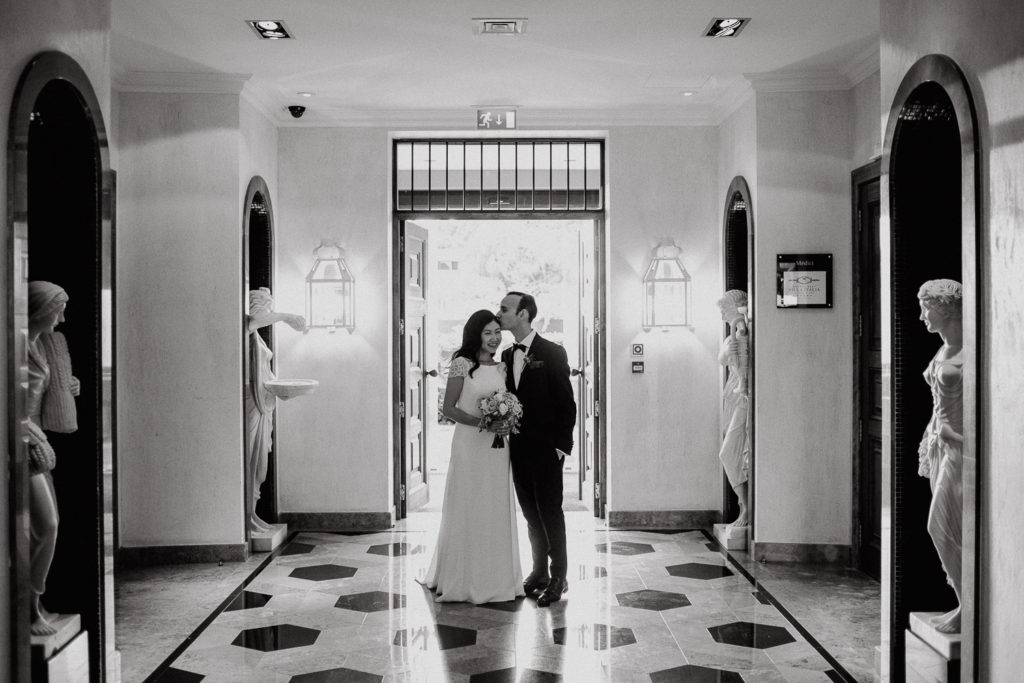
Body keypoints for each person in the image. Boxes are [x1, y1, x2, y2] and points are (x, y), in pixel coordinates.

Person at [421, 310, 524, 603]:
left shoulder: (502, 367)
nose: (494, 338)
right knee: (469, 503)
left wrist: (505, 419)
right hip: (469, 445)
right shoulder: (461, 365)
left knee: (494, 505)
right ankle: (462, 579)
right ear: (475, 335)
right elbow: (448, 409)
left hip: (497, 447)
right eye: (487, 333)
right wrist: (483, 422)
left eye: (496, 332)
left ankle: (497, 578)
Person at [497, 291, 576, 607]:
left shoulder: (552, 352)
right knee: (530, 514)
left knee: (550, 513)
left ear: (524, 314)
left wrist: (562, 446)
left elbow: (566, 403)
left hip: (546, 448)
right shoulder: (505, 355)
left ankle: (560, 578)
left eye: (505, 309)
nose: (499, 313)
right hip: (517, 449)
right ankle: (539, 572)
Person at [26, 281, 79, 635]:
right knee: (46, 526)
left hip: (35, 444)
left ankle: (35, 603)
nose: (61, 319)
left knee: (45, 526)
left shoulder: (41, 345)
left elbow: (46, 391)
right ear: (41, 310)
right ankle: (27, 607)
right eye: (56, 310)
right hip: (22, 444)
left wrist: (68, 384)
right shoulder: (15, 347)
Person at [916, 278, 963, 634]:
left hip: (962, 452)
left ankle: (969, 604)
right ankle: (964, 601)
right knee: (946, 526)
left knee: (941, 526)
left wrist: (956, 436)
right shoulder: (944, 349)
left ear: (944, 308)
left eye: (926, 307)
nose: (921, 317)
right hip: (938, 447)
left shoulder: (971, 353)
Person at [245, 288, 305, 534]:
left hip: (262, 403)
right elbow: (255, 320)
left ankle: (253, 515)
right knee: (250, 462)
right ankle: (246, 519)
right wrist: (287, 316)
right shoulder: (246, 327)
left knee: (260, 465)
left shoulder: (256, 336)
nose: (268, 310)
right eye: (265, 305)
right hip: (252, 404)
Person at [716, 290, 751, 528]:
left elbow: (743, 362)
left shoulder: (742, 331)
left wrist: (740, 328)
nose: (721, 312)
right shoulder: (733, 334)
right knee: (730, 452)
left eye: (723, 308)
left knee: (729, 453)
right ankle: (743, 506)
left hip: (742, 398)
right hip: (732, 398)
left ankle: (747, 507)